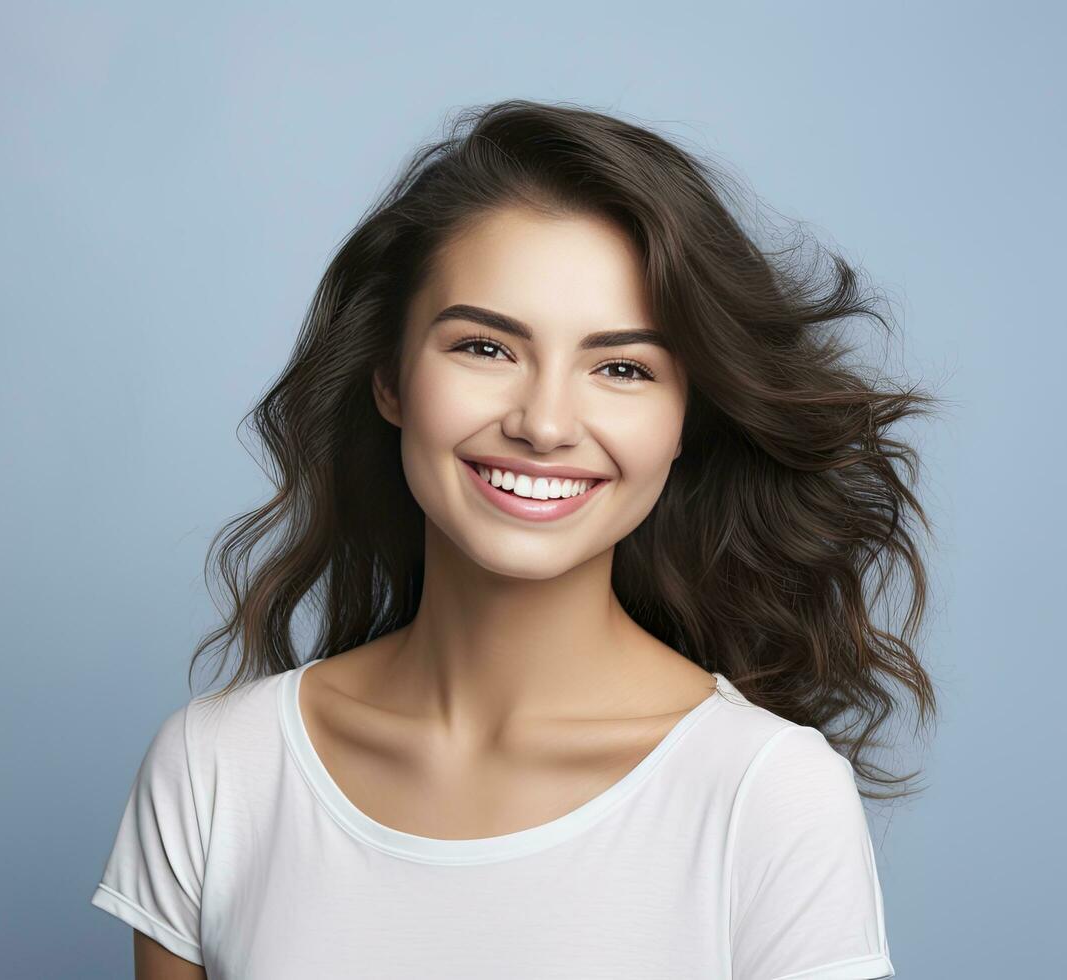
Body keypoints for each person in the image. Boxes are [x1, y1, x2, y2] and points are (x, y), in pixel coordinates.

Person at [91, 99, 938, 979]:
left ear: (688, 419)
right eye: (487, 349)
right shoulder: (219, 770)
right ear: (390, 377)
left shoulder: (767, 796)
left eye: (622, 368)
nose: (543, 424)